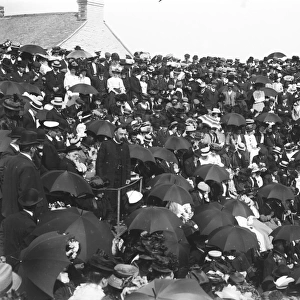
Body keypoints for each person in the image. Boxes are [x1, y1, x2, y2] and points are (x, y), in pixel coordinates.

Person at [1, 130, 48, 218]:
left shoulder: (11, 161)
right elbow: (26, 195)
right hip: (21, 215)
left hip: (8, 212)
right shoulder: (28, 166)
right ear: (32, 148)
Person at [0, 188, 42, 266]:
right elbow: (26, 249)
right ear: (36, 206)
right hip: (18, 265)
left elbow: (1, 238)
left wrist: (2, 256)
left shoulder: (8, 219)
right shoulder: (31, 225)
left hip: (4, 264)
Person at [96, 126, 131, 215]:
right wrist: (101, 178)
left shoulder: (125, 146)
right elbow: (99, 163)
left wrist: (128, 177)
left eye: (124, 134)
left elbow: (127, 163)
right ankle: (109, 218)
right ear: (115, 133)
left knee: (120, 198)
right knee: (109, 199)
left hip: (121, 177)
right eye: (121, 134)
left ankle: (117, 217)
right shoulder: (106, 144)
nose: (123, 136)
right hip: (108, 178)